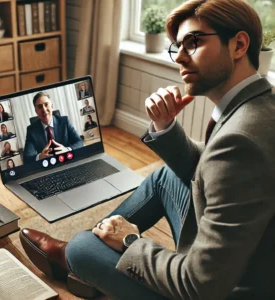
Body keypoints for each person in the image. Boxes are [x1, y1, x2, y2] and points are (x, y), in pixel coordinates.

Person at [19, 1, 275, 299]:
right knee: (165, 177)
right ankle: (95, 254)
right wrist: (165, 125)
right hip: (245, 256)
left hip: (228, 288)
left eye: (193, 42)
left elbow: (200, 285)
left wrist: (128, 241)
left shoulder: (241, 142)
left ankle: (75, 258)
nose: (179, 56)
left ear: (239, 44)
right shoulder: (257, 105)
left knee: (80, 247)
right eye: (177, 46)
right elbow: (212, 169)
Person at [23, 92, 83, 164]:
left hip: (66, 161)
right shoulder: (31, 130)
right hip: (46, 166)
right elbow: (27, 158)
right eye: (39, 107)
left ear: (51, 106)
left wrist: (67, 150)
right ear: (36, 111)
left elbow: (79, 142)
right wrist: (40, 157)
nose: (44, 109)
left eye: (46, 104)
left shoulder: (64, 121)